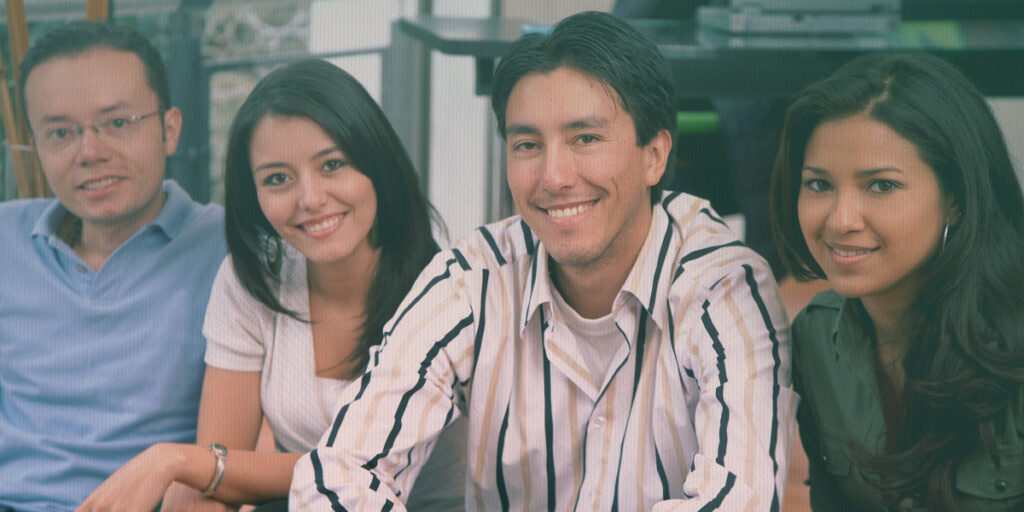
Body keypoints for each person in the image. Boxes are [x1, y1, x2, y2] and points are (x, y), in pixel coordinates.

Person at [292, 11, 794, 511]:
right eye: (528, 145)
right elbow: (335, 476)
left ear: (654, 155)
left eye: (586, 139)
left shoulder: (725, 287)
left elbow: (740, 500)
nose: (553, 177)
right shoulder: (474, 278)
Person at [80, 59, 466, 511]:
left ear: (376, 163)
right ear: (255, 196)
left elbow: (361, 473)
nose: (311, 199)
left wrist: (173, 460)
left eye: (333, 164)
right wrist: (188, 471)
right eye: (277, 179)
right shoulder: (255, 279)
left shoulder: (445, 293)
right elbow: (216, 474)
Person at [770, 52, 1024, 511]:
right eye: (819, 184)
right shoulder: (813, 340)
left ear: (956, 198)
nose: (841, 220)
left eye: (881, 186)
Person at [0, 21, 226, 511]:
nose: (89, 153)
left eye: (118, 123)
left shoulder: (229, 248)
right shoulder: (5, 242)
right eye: (60, 133)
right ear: (36, 146)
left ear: (169, 129)